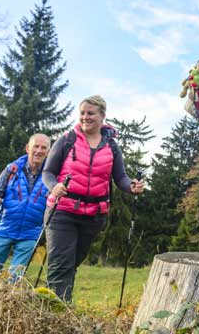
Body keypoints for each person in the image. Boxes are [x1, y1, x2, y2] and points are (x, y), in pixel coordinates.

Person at [42, 95, 144, 302]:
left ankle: (52, 303)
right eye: (82, 113)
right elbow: (48, 173)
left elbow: (121, 178)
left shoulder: (112, 146)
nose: (85, 117)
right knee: (60, 263)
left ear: (102, 116)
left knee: (72, 262)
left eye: (90, 113)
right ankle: (57, 310)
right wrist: (55, 187)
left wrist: (131, 187)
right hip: (62, 210)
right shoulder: (67, 139)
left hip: (94, 216)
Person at [0, 133, 51, 282]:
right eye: (36, 146)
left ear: (48, 152)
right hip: (3, 228)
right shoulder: (12, 169)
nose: (39, 151)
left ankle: (6, 305)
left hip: (30, 233)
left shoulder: (50, 176)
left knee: (15, 279)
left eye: (43, 147)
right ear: (28, 148)